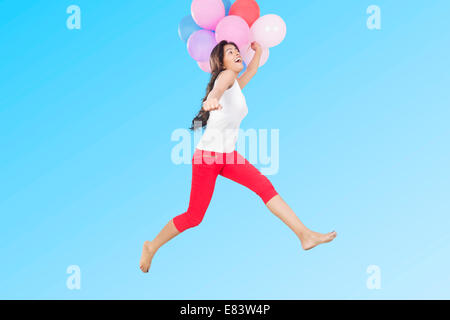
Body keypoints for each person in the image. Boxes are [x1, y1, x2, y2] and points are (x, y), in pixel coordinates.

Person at [139, 40, 337, 273]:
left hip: (227, 156)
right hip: (208, 158)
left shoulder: (237, 85)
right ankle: (152, 246)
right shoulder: (225, 77)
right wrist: (211, 98)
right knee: (194, 216)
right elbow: (218, 88)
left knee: (265, 187)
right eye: (229, 52)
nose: (235, 54)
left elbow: (252, 70)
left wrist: (259, 51)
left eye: (236, 50)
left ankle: (304, 235)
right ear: (220, 63)